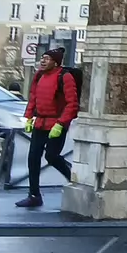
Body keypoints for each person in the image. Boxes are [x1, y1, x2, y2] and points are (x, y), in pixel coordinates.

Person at [16, 47, 78, 208]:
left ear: (55, 63)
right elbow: (33, 97)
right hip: (40, 123)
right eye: (42, 58)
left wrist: (61, 123)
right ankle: (34, 195)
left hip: (56, 124)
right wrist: (28, 117)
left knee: (52, 156)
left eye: (47, 59)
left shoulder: (65, 77)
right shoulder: (39, 75)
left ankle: (74, 178)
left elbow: (72, 103)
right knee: (33, 158)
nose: (42, 61)